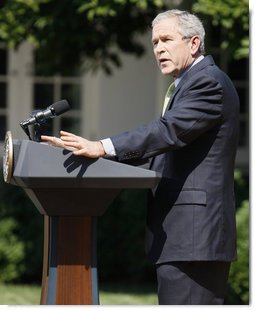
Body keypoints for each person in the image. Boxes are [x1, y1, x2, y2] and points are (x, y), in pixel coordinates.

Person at [41, 9, 240, 305]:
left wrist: (103, 147)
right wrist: (95, 157)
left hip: (195, 237)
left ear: (194, 43)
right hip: (185, 238)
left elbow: (167, 132)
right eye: (155, 42)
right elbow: (165, 146)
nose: (158, 48)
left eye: (166, 40)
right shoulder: (188, 84)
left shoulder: (207, 82)